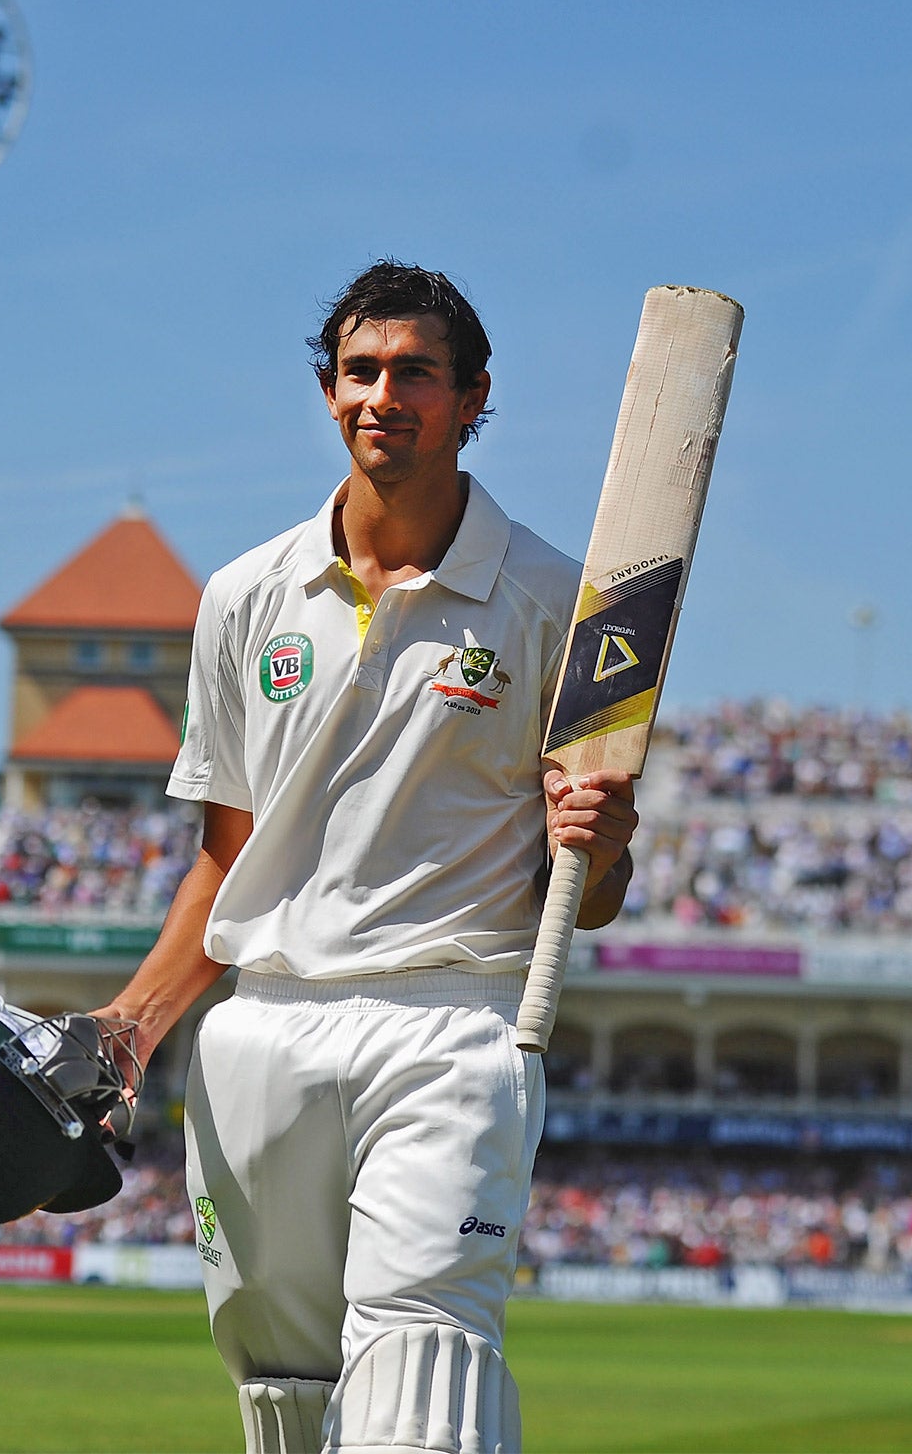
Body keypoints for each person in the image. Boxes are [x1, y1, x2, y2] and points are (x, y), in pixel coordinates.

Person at [97, 261, 638, 1454]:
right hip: (263, 1026)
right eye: (359, 370)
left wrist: (600, 849)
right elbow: (224, 861)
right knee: (280, 1380)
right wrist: (131, 1027)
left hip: (455, 1021)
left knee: (420, 1348)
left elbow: (586, 897)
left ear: (471, 398)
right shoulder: (244, 595)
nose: (381, 394)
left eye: (415, 373)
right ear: (328, 389)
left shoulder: (561, 602)